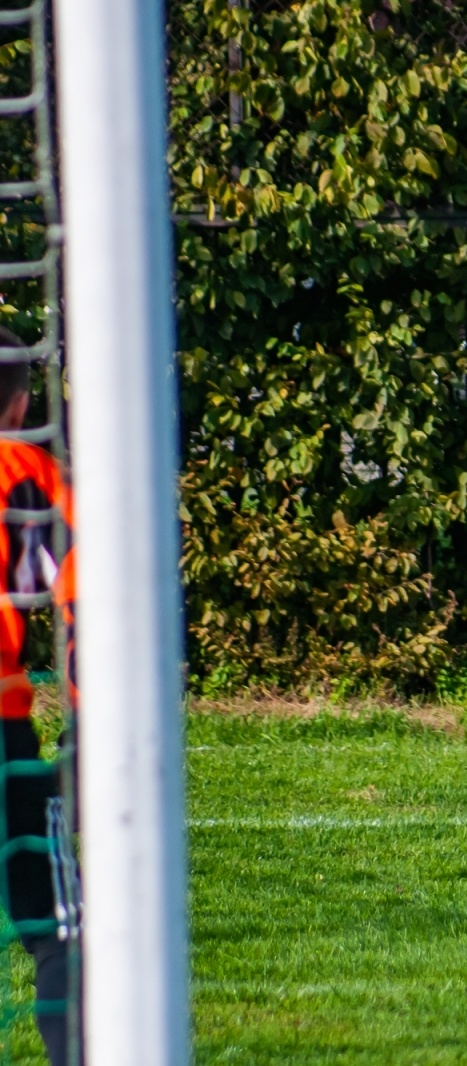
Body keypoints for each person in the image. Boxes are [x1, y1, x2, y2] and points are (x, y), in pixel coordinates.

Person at [0, 328, 76, 1062]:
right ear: (21, 404)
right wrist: (84, 731)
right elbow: (89, 595)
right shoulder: (27, 472)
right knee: (59, 933)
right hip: (4, 736)